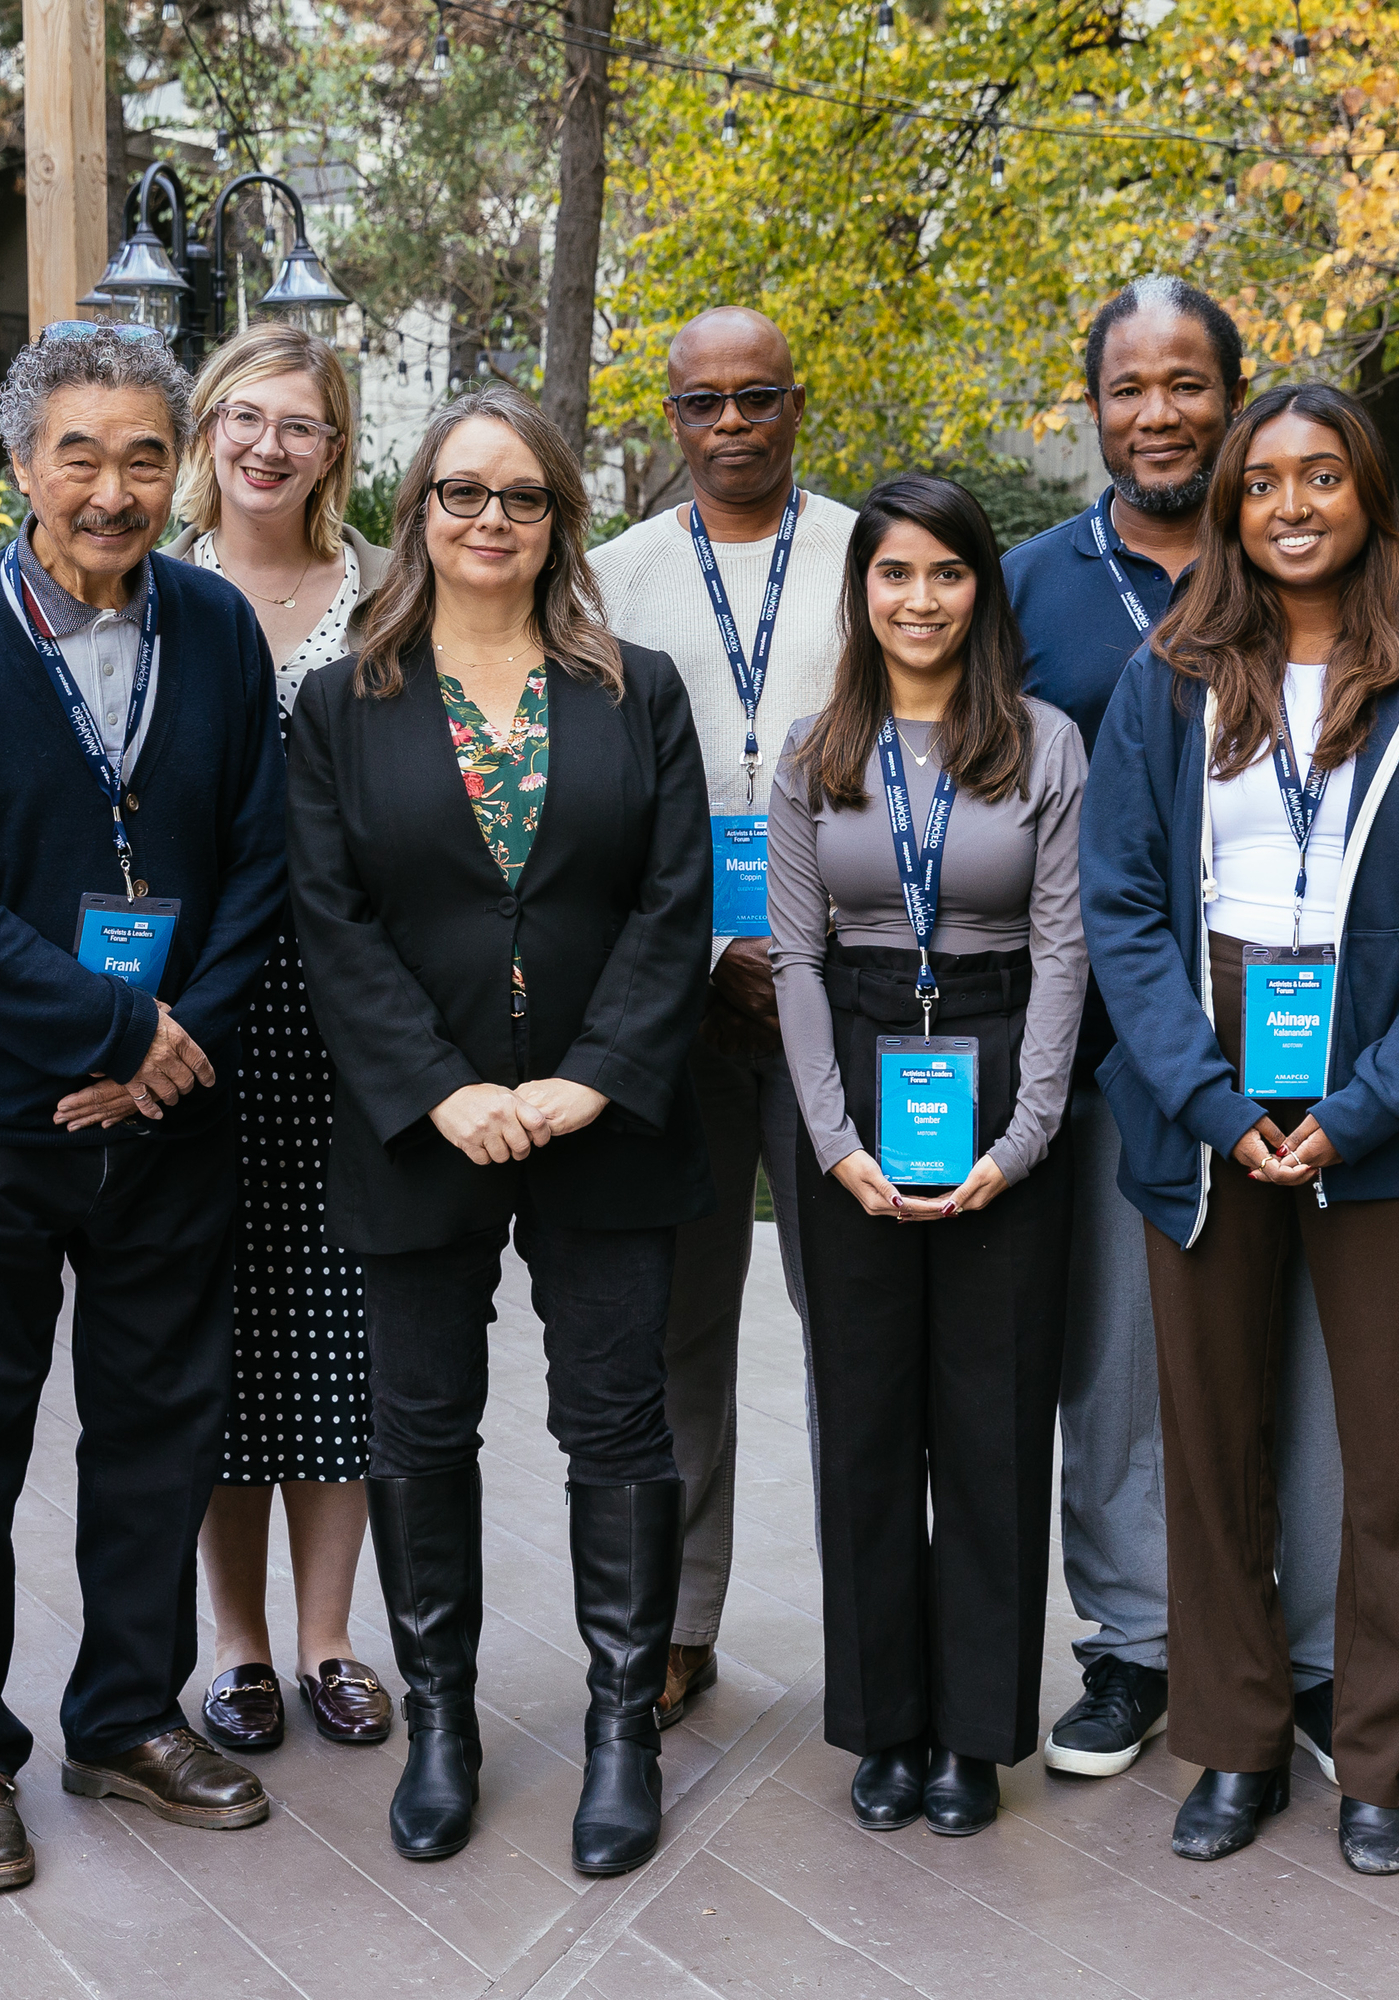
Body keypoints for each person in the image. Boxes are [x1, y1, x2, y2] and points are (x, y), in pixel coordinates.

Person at [0, 324, 288, 1891]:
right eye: (80, 456)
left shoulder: (220, 630)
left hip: (170, 1122)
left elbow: (261, 863)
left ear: (178, 469)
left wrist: (174, 1048)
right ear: (22, 465)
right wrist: (114, 1022)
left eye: (143, 457)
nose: (114, 491)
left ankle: (124, 1715)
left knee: (159, 1434)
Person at [1083, 384, 1399, 1876]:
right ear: (1229, 505)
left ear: (1367, 497)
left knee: (1393, 1455)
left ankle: (1387, 1766)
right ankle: (1234, 1742)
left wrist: (1366, 1107)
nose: (1289, 504)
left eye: (1320, 477)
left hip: (1382, 1081)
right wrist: (1207, 1098)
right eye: (1261, 480)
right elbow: (1126, 907)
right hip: (1197, 1070)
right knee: (1214, 1443)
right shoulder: (1168, 676)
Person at [286, 384, 713, 1878]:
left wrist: (593, 1075)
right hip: (421, 1122)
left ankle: (620, 1729)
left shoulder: (634, 691)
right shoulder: (346, 701)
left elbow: (677, 900)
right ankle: (443, 1727)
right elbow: (328, 918)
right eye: (461, 494)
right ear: (418, 514)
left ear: (558, 522)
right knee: (418, 1426)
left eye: (519, 497)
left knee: (616, 1424)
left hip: (607, 1118)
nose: (488, 521)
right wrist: (438, 1085)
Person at [1004, 277, 1349, 1781]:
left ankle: (1318, 1657)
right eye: (1131, 386)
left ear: (1236, 394)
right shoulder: (1031, 587)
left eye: (1190, 384)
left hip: (1320, 1052)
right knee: (1128, 1370)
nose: (1161, 413)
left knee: (1315, 1370)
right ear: (1095, 407)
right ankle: (1135, 1646)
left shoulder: (1303, 557)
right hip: (1107, 1047)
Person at [768, 473, 1087, 1839]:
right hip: (853, 1073)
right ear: (863, 591)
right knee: (868, 1426)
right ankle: (885, 1727)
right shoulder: (809, 750)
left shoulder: (1044, 744)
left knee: (994, 1424)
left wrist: (1023, 1140)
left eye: (947, 574)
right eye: (894, 574)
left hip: (1001, 1064)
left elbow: (1068, 947)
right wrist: (834, 1143)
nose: (919, 600)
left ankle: (974, 1736)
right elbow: (791, 955)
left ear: (981, 591)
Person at [586, 305, 853, 1732]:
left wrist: (800, 949)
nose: (734, 424)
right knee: (677, 1329)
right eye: (706, 403)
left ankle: (874, 1621)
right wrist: (702, 955)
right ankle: (676, 1624)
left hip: (845, 1001)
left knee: (853, 1323)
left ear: (796, 405)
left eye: (760, 398)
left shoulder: (871, 560)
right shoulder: (614, 578)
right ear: (672, 416)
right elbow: (596, 807)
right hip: (676, 1016)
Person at [166, 321, 396, 1757]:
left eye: (298, 424)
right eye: (244, 417)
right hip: (188, 1011)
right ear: (207, 431)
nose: (269, 445)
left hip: (351, 1009)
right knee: (208, 1337)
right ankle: (236, 1649)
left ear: (334, 445)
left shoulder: (384, 594)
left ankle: (328, 1642)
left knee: (343, 1334)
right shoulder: (152, 583)